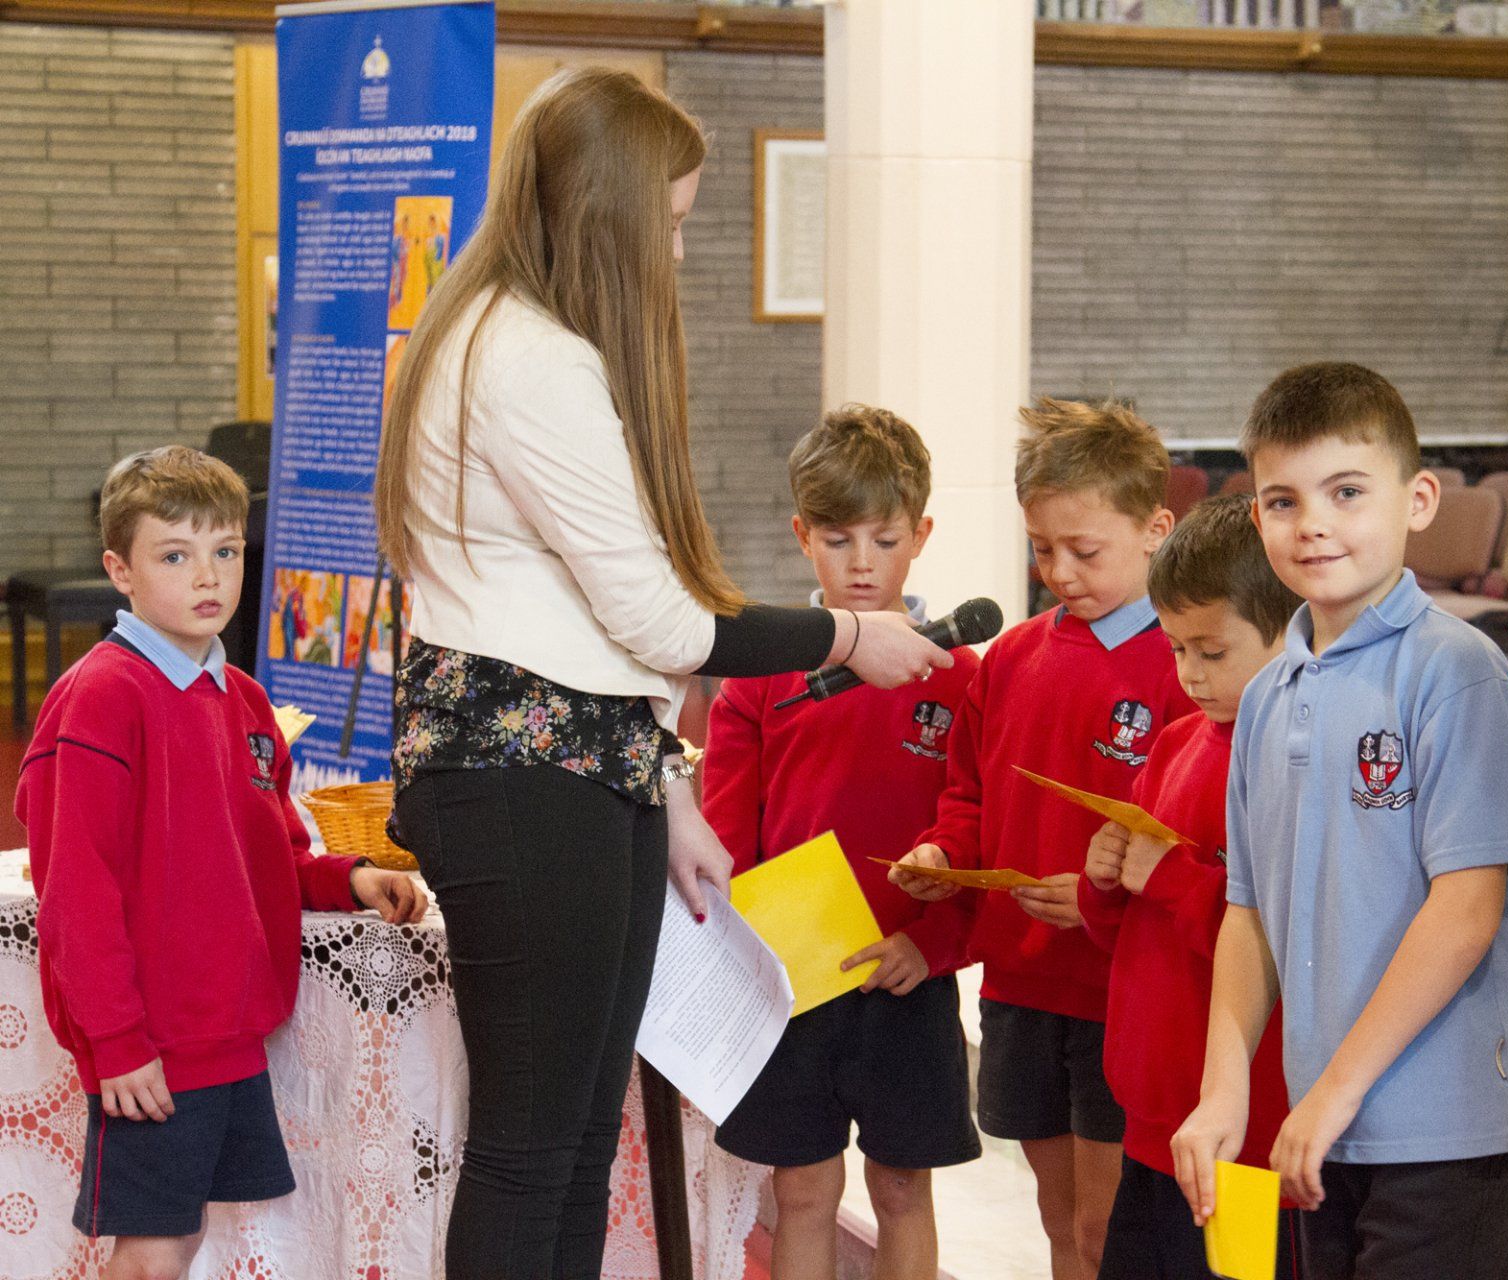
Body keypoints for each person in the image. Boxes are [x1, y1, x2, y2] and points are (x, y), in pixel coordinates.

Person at [372, 68, 948, 1280]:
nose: (676, 255)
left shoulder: (506, 335)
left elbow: (582, 624)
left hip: (582, 764)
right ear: (609, 215)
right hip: (524, 776)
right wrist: (847, 638)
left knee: (581, 1136)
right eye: (673, 225)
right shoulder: (526, 356)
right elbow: (655, 618)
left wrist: (669, 792)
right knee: (533, 1148)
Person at [1171, 362, 1508, 1280]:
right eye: (1282, 500)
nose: (1314, 524)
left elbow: (1466, 910)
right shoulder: (1265, 697)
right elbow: (1247, 913)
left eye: (1347, 492)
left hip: (1446, 1124)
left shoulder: (1453, 671)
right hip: (1325, 1127)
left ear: (1418, 499)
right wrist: (1225, 1087)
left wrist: (1336, 1094)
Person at [15, 446, 427, 1280]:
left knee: (183, 1236)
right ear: (119, 571)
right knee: (155, 1246)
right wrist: (120, 1042)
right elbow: (73, 891)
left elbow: (271, 848)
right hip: (157, 1041)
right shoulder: (102, 695)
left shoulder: (238, 698)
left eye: (227, 552)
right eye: (175, 555)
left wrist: (346, 878)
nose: (208, 576)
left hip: (228, 1034)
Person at [891, 397, 1194, 1280]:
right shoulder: (1013, 659)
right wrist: (944, 855)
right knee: (1059, 1223)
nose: (1058, 571)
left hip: (1121, 989)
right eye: (1041, 548)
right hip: (1022, 983)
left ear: (1155, 529)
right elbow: (969, 798)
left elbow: (1195, 841)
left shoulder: (1184, 667)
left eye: (1084, 550)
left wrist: (1103, 898)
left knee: (1108, 1232)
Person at [702, 405, 982, 1280]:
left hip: (908, 974)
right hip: (793, 986)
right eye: (837, 539)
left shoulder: (964, 676)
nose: (863, 563)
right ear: (801, 536)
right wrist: (761, 956)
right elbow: (724, 842)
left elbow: (974, 834)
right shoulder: (761, 675)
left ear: (922, 534)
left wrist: (929, 947)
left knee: (902, 1189)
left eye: (885, 539)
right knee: (802, 1193)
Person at [1078, 494, 1303, 1280]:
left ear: (1289, 631)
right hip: (1152, 1109)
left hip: (1244, 1126)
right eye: (1176, 650)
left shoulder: (1292, 758)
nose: (1190, 675)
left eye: (1212, 650)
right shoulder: (1175, 743)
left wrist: (1171, 879)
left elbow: (1286, 943)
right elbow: (1129, 935)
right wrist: (1104, 885)